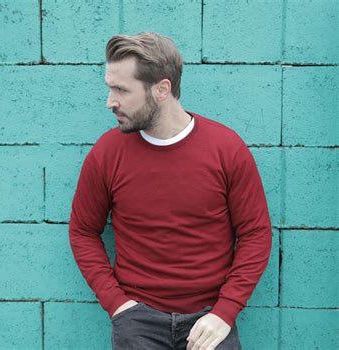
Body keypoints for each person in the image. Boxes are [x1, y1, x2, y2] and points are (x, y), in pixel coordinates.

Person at [69, 32, 272, 350]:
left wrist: (225, 312)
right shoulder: (107, 153)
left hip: (210, 322)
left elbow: (256, 234)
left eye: (121, 89)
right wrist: (119, 307)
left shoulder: (226, 149)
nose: (110, 101)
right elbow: (82, 231)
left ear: (162, 89)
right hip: (138, 324)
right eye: (110, 88)